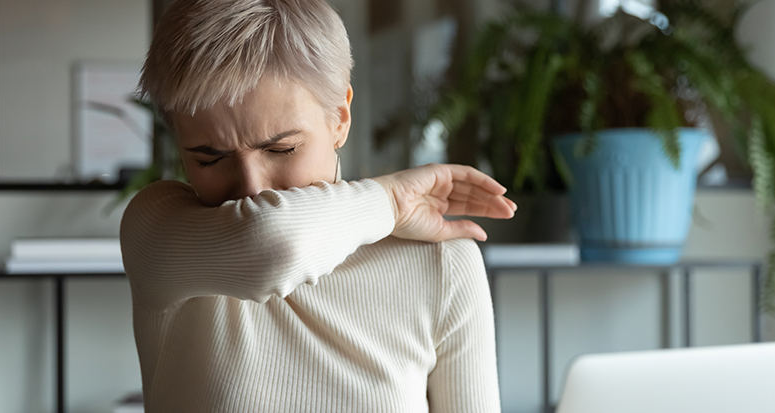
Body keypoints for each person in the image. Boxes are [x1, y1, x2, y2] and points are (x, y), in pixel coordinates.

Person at [120, 0, 517, 411]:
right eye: (210, 158)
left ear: (340, 118)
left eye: (281, 149)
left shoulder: (440, 264)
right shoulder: (157, 228)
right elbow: (272, 241)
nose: (252, 190)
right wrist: (391, 200)